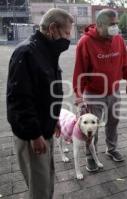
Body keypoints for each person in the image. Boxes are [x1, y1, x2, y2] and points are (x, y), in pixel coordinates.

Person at [6, 8, 73, 199]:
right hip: (32, 135)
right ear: (53, 28)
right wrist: (34, 135)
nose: (68, 38)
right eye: (67, 33)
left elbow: (47, 92)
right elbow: (20, 99)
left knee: (47, 179)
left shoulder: (46, 50)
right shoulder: (27, 53)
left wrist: (55, 119)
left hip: (45, 128)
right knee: (39, 187)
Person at [73, 9, 127, 169]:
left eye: (116, 24)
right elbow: (79, 70)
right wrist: (78, 95)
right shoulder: (85, 42)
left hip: (113, 90)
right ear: (99, 25)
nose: (115, 27)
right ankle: (90, 157)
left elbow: (125, 60)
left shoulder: (118, 39)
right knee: (91, 127)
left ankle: (111, 149)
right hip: (93, 93)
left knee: (113, 121)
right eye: (111, 24)